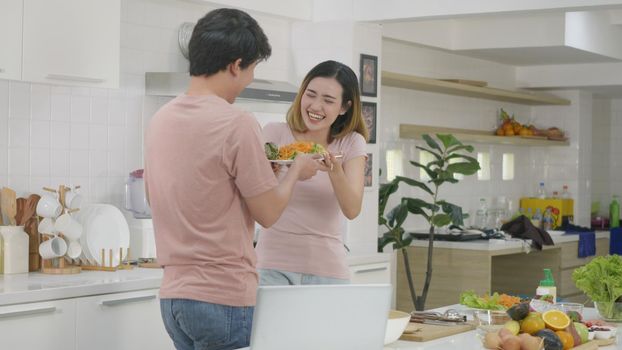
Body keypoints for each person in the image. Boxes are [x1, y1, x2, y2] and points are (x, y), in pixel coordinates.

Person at [143, 8, 321, 350]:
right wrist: (296, 169)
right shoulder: (236, 122)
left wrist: (263, 175)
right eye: (252, 68)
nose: (250, 79)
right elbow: (268, 213)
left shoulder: (160, 120)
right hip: (221, 298)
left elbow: (161, 199)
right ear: (236, 65)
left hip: (173, 300)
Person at [256, 60, 369, 285]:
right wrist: (293, 171)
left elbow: (352, 209)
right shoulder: (274, 134)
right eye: (311, 94)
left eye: (328, 100)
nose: (315, 106)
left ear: (344, 107)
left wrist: (334, 171)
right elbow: (259, 202)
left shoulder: (351, 143)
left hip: (328, 271)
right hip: (272, 267)